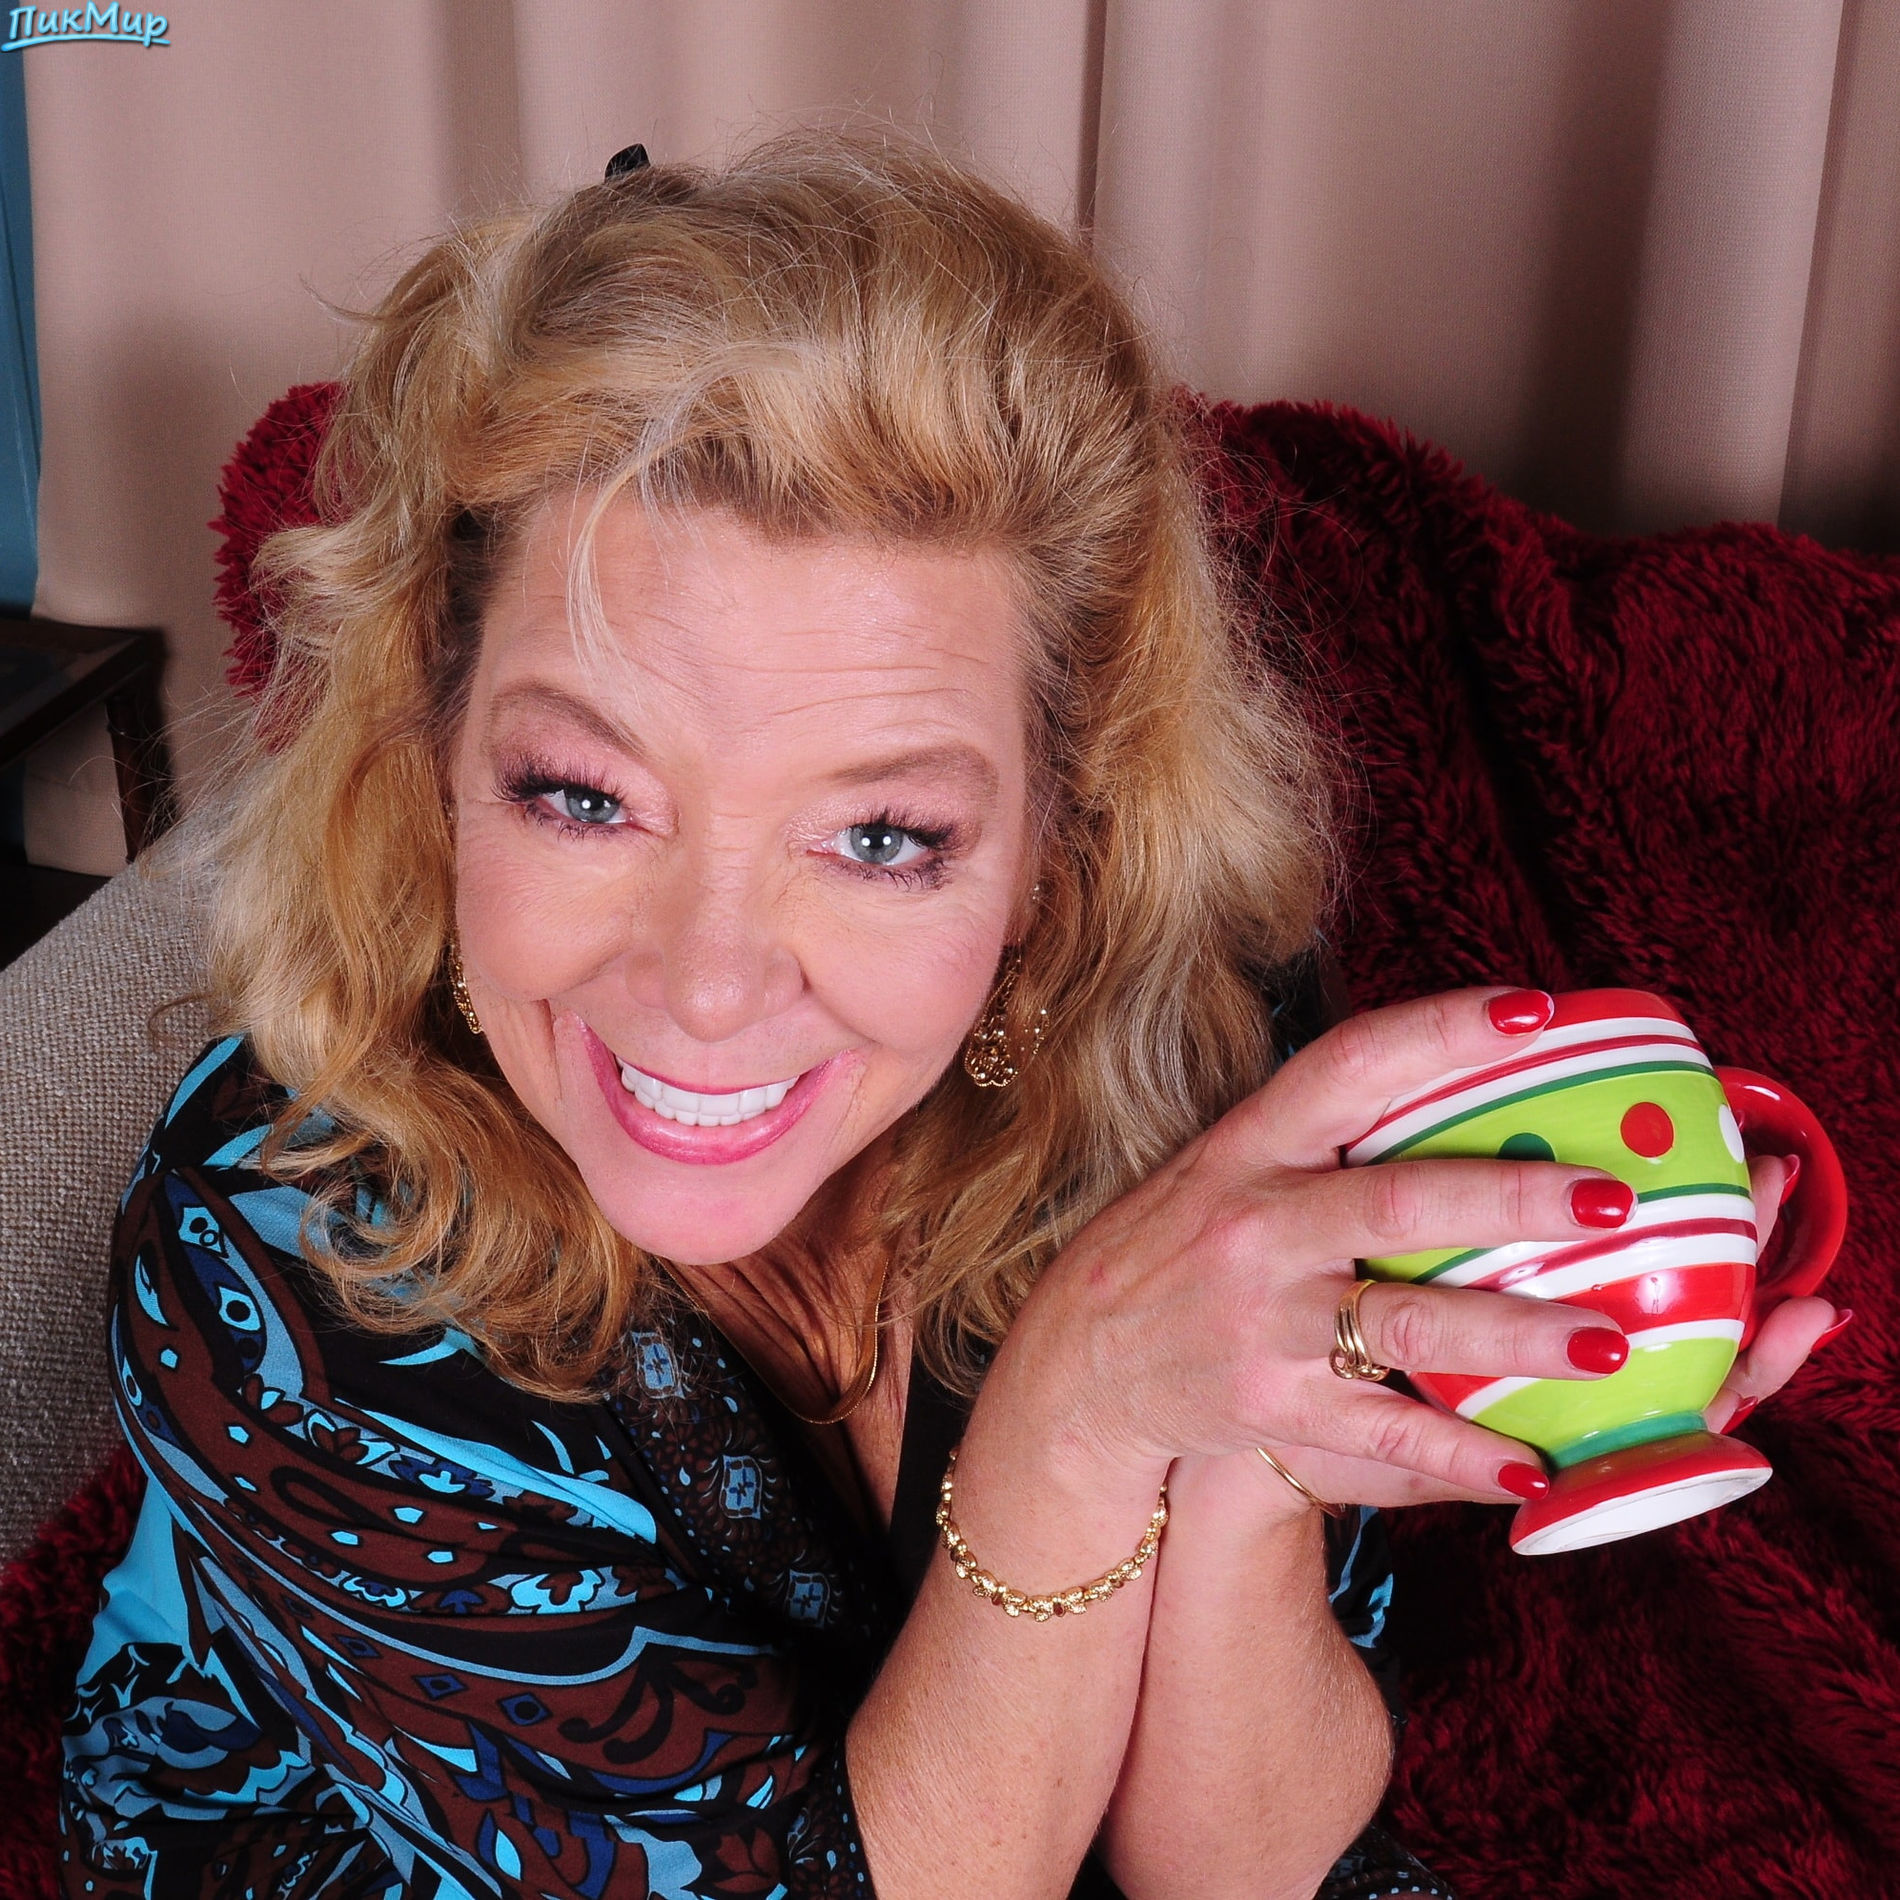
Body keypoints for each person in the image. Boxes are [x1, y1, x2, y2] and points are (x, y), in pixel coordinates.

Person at [57, 135, 1831, 1900]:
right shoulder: (272, 1241)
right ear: (435, 758)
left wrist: (1249, 1458)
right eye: (584, 797)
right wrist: (1077, 1424)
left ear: (1055, 856)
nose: (709, 983)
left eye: (883, 838)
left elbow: (1251, 1869)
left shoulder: (1186, 1047)